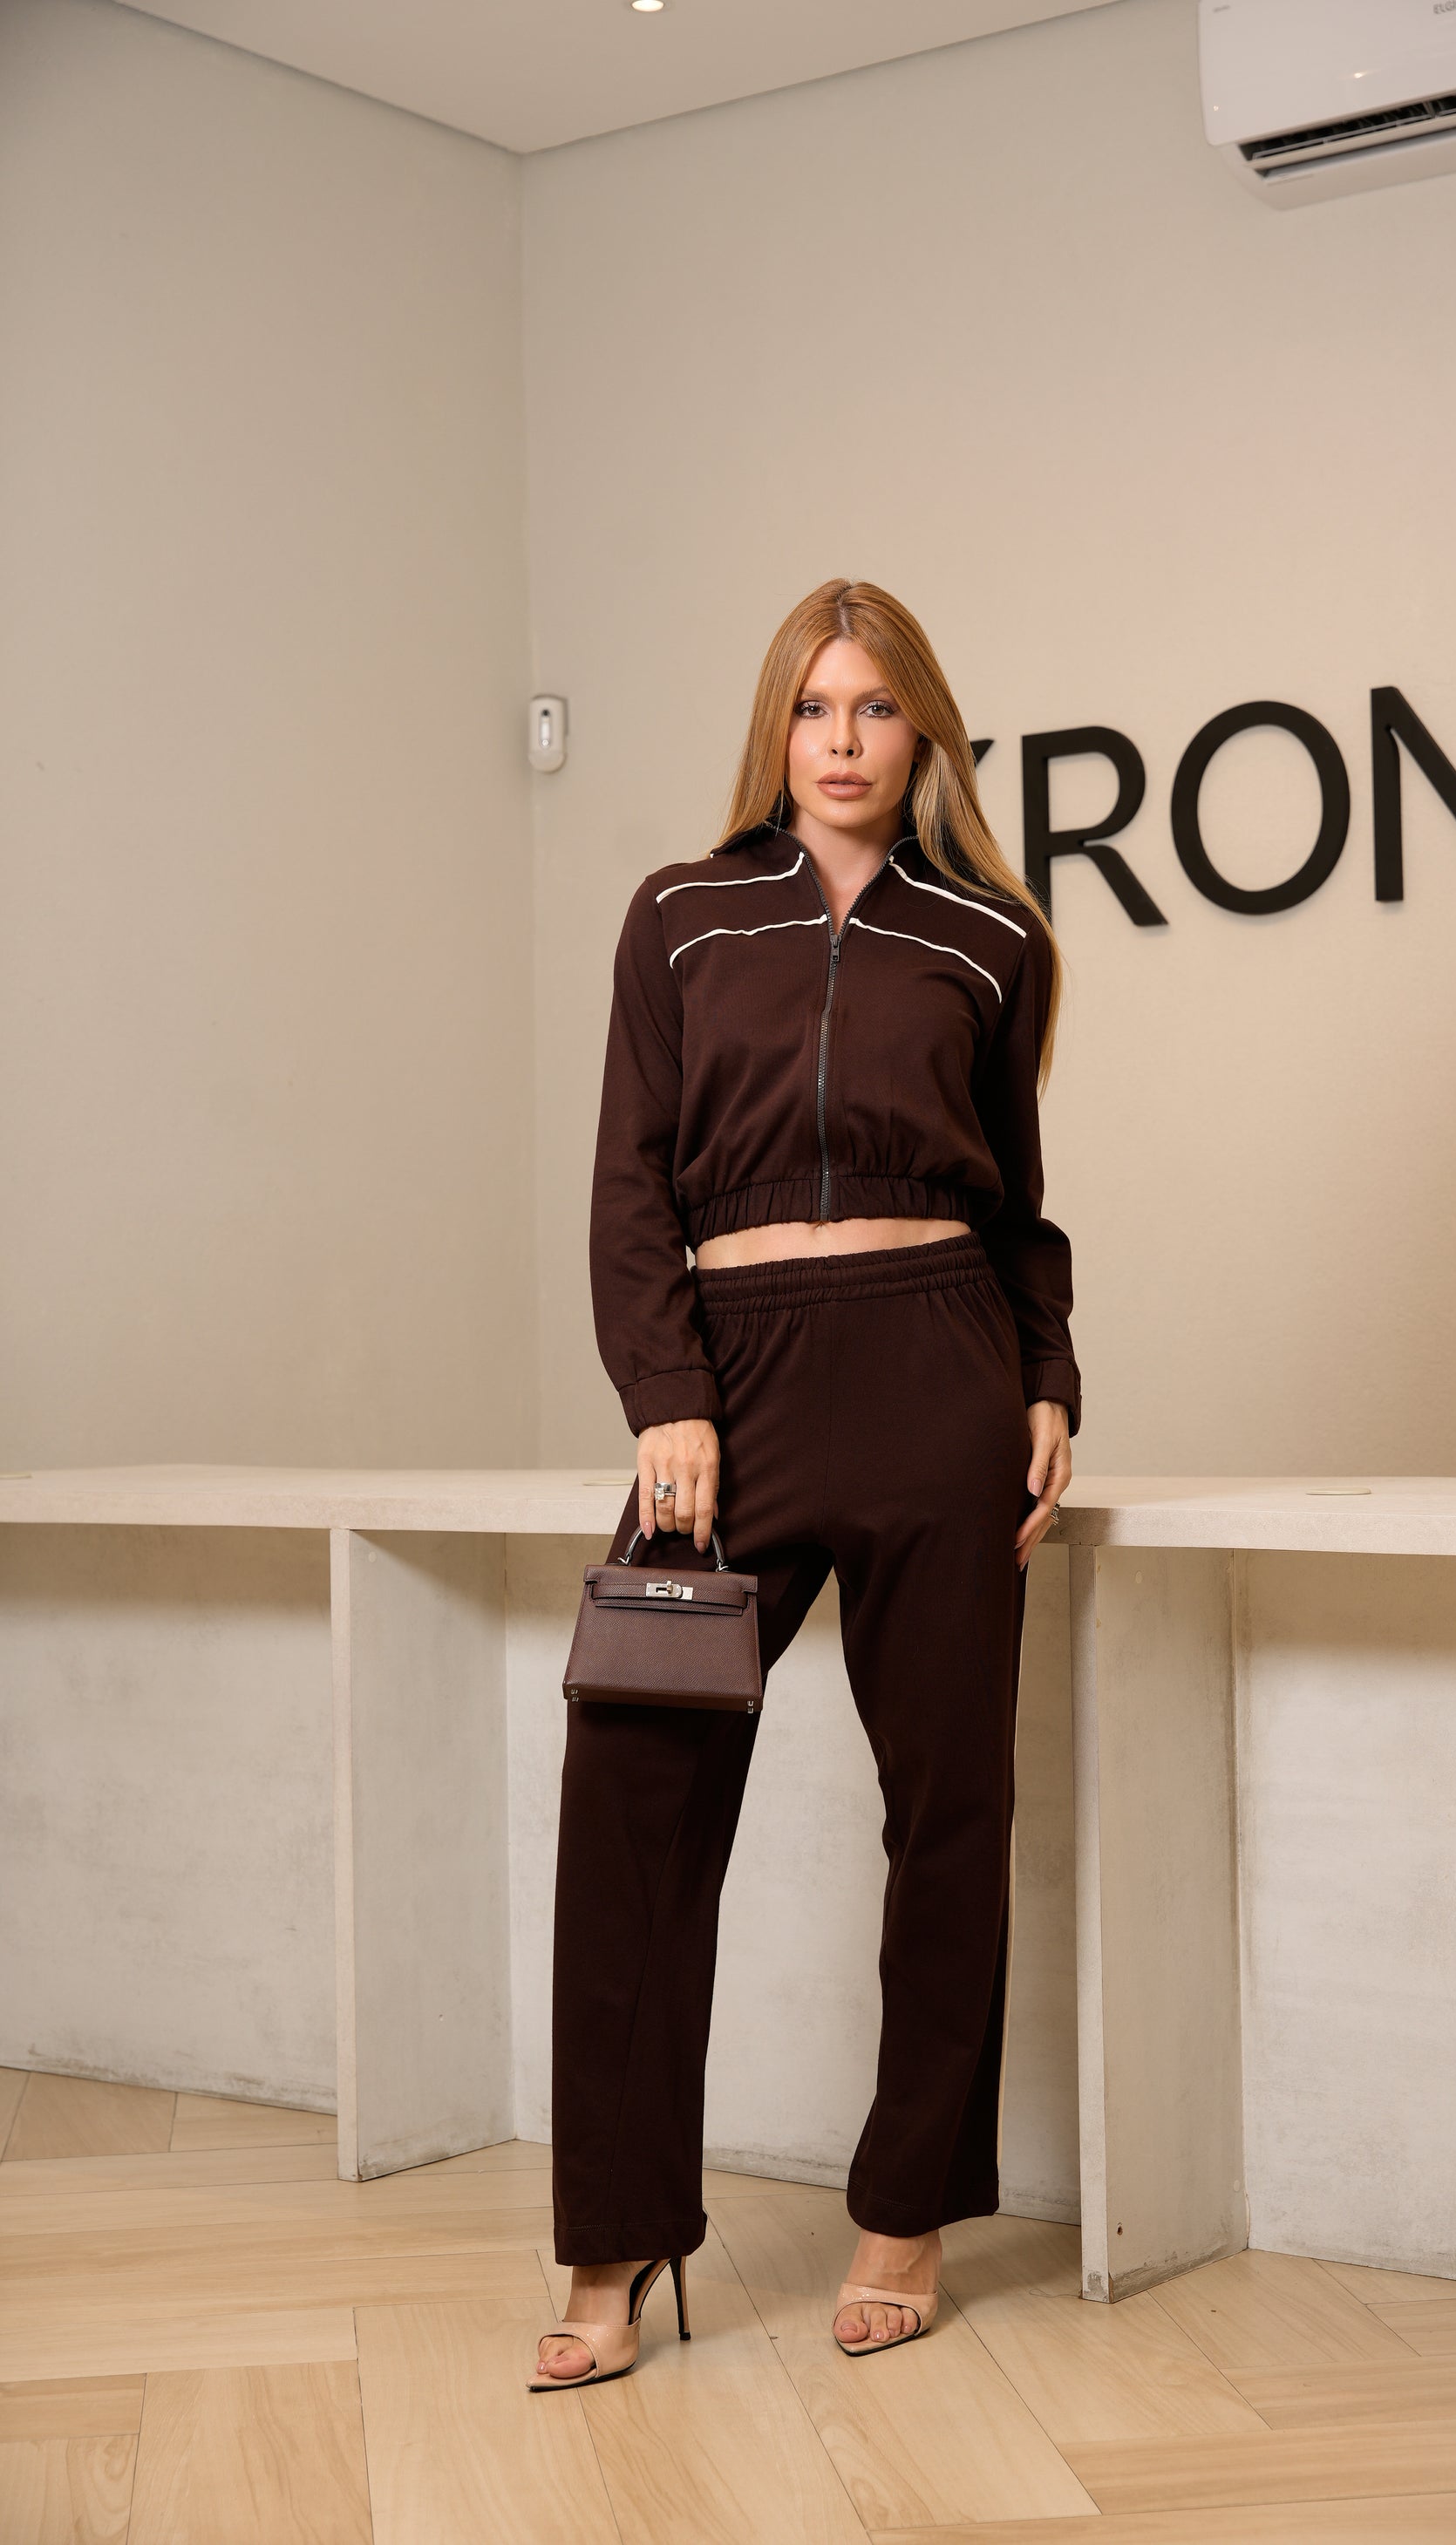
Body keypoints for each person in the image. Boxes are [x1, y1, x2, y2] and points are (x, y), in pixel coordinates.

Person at [531, 578, 1081, 2392]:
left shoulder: (990, 936)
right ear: (776, 727)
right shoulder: (682, 914)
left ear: (924, 731)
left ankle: (905, 2211)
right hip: (733, 1390)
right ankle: (613, 2238)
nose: (843, 741)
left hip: (937, 1371)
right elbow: (630, 1184)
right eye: (814, 707)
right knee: (631, 1797)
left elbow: (1015, 1201)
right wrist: (665, 1396)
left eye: (877, 708)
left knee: (951, 1809)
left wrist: (1046, 1377)